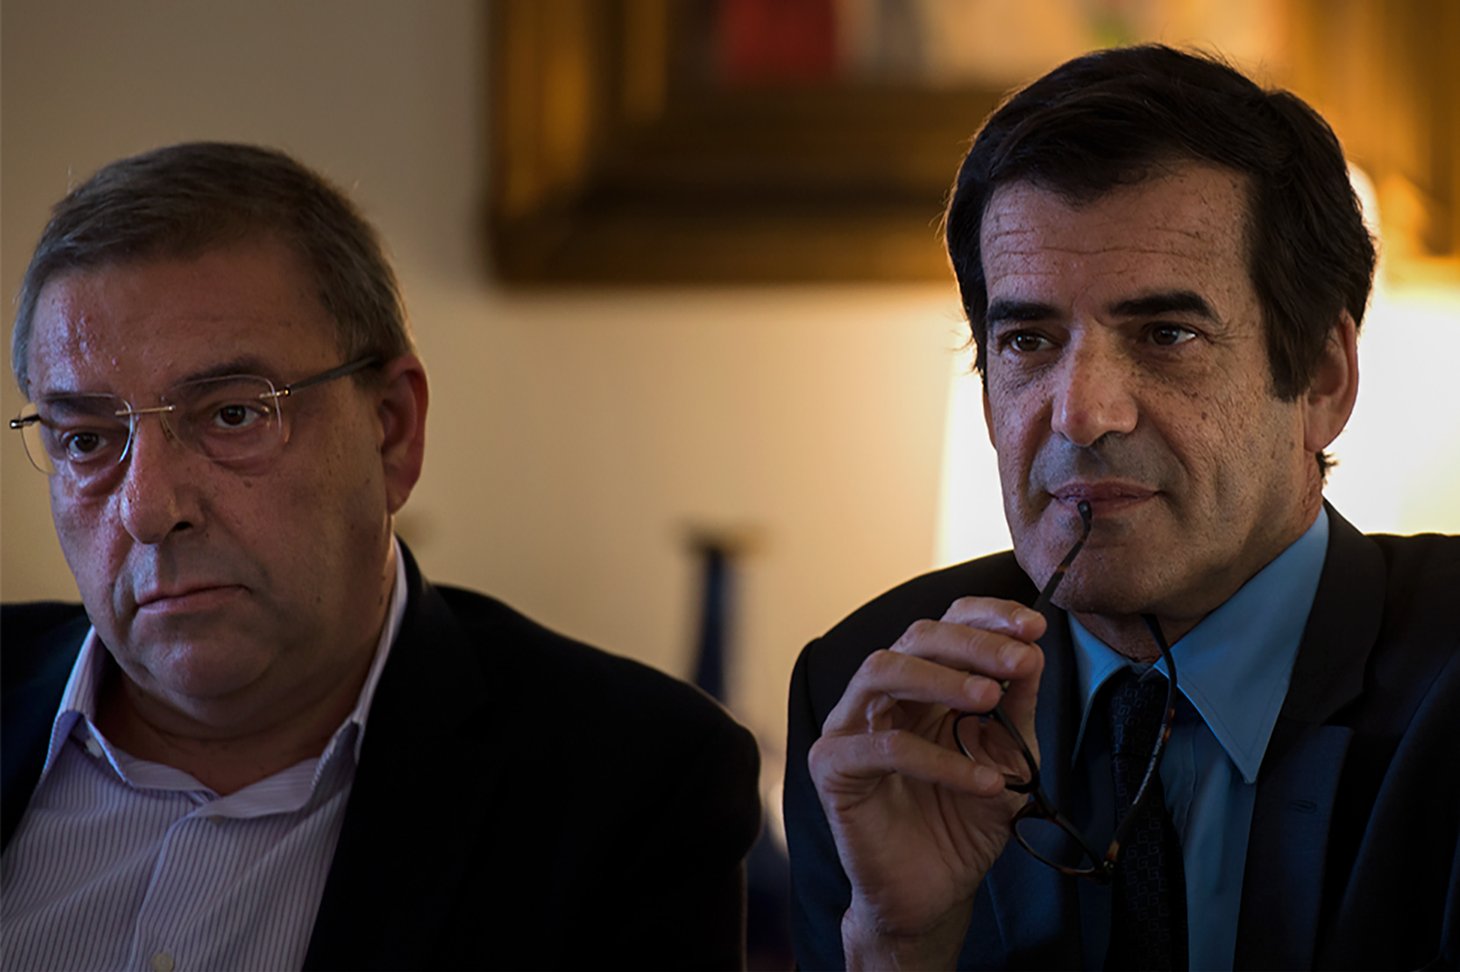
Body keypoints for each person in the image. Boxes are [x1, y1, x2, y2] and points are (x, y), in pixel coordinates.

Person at [1, 142, 761, 971]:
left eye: (232, 415)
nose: (149, 510)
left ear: (392, 430)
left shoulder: (632, 785)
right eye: (86, 438)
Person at [785, 45, 1458, 971]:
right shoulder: (881, 703)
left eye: (1166, 334)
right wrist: (901, 948)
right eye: (1028, 341)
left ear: (1322, 380)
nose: (1082, 413)